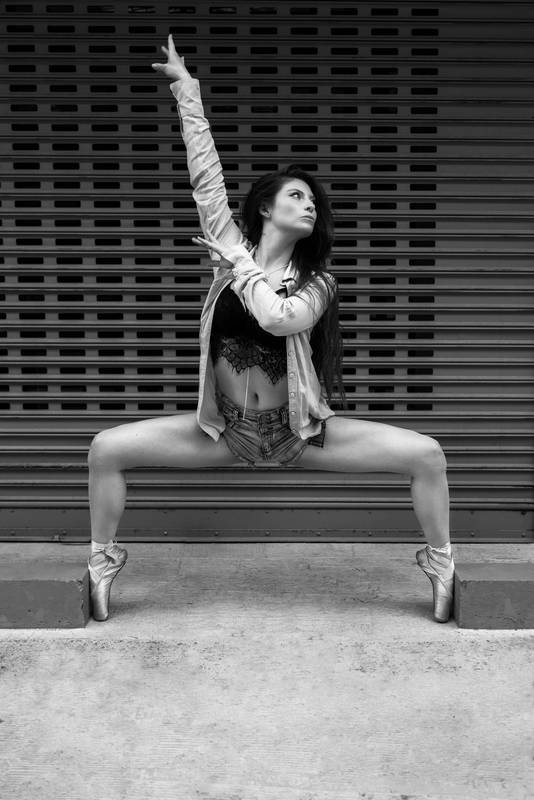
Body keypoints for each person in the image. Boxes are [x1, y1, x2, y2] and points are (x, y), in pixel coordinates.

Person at [87, 34, 455, 624]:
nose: (309, 205)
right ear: (266, 207)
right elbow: (206, 178)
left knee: (428, 455)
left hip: (299, 435)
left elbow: (279, 318)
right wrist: (188, 93)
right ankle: (102, 560)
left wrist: (239, 266)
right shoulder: (232, 244)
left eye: (313, 201)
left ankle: (441, 562)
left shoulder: (318, 281)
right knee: (105, 450)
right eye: (296, 195)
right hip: (225, 431)